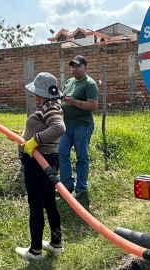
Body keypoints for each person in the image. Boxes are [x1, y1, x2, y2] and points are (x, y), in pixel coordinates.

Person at [14, 72, 66, 261]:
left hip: (39, 163)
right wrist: (25, 135)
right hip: (48, 159)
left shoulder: (50, 107)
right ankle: (56, 243)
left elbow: (58, 128)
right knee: (49, 202)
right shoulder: (52, 105)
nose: (33, 94)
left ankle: (35, 251)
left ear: (42, 93)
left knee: (36, 205)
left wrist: (33, 141)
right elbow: (46, 127)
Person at [59, 55, 99, 195]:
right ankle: (67, 185)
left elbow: (93, 106)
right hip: (66, 125)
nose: (75, 69)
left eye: (78, 66)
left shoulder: (90, 84)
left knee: (82, 156)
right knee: (62, 153)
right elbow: (62, 98)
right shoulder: (69, 82)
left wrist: (75, 102)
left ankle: (81, 187)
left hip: (82, 126)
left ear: (85, 67)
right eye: (73, 67)